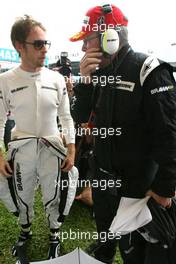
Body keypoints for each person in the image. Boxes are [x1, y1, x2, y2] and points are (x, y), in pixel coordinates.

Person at [69, 3, 176, 264]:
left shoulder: (149, 70)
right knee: (104, 244)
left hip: (139, 192)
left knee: (137, 256)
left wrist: (163, 188)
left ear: (110, 38)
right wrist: (84, 81)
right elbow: (81, 119)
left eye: (88, 41)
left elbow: (171, 137)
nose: (83, 49)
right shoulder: (97, 74)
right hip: (104, 185)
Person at [0, 15, 78, 261]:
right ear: (19, 46)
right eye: (38, 44)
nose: (44, 49)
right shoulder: (6, 80)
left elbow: (66, 117)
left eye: (46, 43)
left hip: (52, 148)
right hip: (21, 150)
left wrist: (72, 148)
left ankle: (55, 235)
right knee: (21, 195)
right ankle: (25, 231)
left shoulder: (56, 79)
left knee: (53, 194)